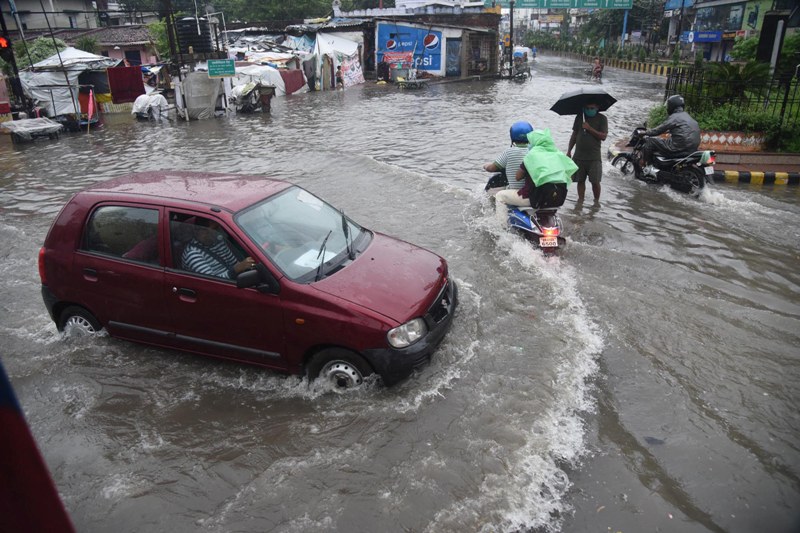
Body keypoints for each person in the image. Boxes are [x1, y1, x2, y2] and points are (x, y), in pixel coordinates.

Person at [484, 121, 534, 220]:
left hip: (519, 193)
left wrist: (485, 166)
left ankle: (500, 225)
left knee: (499, 196)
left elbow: (492, 168)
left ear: (512, 137)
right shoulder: (534, 151)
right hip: (534, 193)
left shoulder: (509, 152)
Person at [641, 94, 701, 175]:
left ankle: (647, 166)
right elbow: (681, 130)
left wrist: (646, 132)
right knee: (665, 140)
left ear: (672, 106)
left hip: (678, 147)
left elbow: (658, 130)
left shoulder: (674, 117)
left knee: (650, 141)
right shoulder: (687, 116)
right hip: (691, 148)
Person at [181, 218, 255, 279]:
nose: (218, 231)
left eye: (218, 228)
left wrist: (246, 266)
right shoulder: (193, 254)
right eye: (215, 229)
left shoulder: (218, 242)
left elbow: (234, 263)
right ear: (202, 231)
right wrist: (236, 270)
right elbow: (212, 282)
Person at [566, 100, 608, 203]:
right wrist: (569, 151)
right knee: (580, 181)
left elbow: (603, 136)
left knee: (595, 181)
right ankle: (580, 201)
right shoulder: (580, 117)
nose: (589, 110)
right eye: (587, 108)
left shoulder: (602, 119)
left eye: (592, 108)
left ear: (597, 107)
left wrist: (589, 128)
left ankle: (596, 202)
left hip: (594, 157)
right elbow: (574, 134)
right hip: (579, 156)